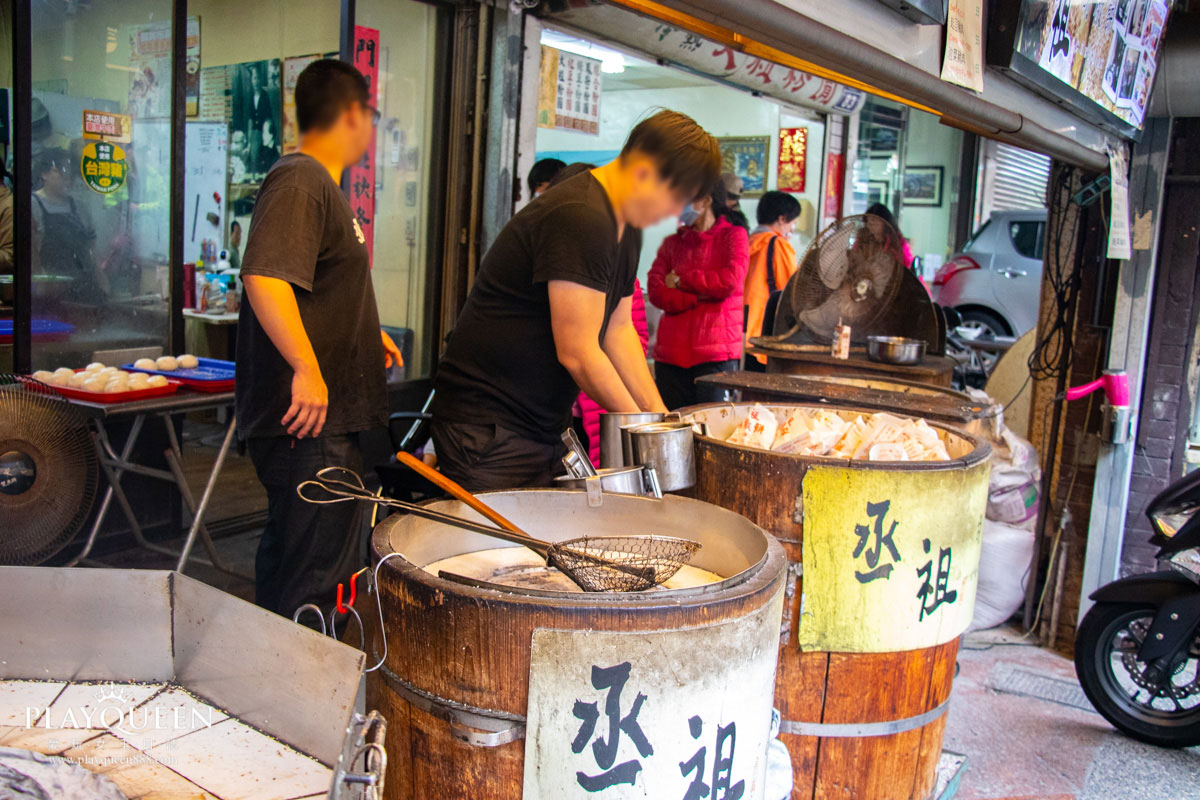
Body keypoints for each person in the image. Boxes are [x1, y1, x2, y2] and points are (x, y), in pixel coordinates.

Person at [432, 109, 721, 490]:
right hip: (490, 428)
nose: (674, 213)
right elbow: (578, 351)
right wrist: (643, 429)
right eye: (677, 197)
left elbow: (618, 331)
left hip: (539, 425)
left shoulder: (625, 225)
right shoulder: (582, 216)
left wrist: (660, 418)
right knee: (500, 550)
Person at [235, 59, 403, 618]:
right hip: (311, 426)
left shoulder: (318, 185)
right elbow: (264, 276)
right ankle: (295, 695)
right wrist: (308, 368)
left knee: (296, 559)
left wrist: (360, 328)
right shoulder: (301, 178)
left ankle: (269, 686)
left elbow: (313, 284)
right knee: (315, 580)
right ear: (354, 114)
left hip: (326, 424)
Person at [552, 163, 652, 464]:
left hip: (598, 402)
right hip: (553, 408)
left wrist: (650, 421)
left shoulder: (621, 276)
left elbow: (629, 335)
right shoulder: (550, 271)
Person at [647, 180, 750, 410]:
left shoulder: (734, 236)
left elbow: (729, 282)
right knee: (672, 425)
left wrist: (682, 280)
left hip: (715, 354)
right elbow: (656, 292)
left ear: (706, 200)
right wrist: (696, 297)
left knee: (711, 429)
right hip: (670, 355)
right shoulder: (673, 243)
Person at [743, 191, 801, 368]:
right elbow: (791, 290)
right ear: (782, 219)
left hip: (738, 333)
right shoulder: (778, 245)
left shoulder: (744, 241)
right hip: (763, 334)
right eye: (793, 222)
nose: (792, 229)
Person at [31, 148, 99, 299]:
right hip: (49, 290)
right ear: (44, 174)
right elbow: (31, 252)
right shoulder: (32, 204)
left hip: (83, 287)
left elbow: (92, 247)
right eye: (60, 171)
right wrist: (39, 282)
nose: (67, 177)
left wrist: (102, 280)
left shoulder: (80, 206)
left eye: (70, 172)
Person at [865, 202, 915, 269]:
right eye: (868, 222)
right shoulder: (863, 239)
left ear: (885, 223)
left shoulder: (898, 242)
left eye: (874, 221)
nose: (870, 225)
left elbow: (907, 263)